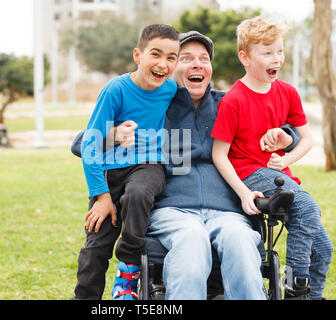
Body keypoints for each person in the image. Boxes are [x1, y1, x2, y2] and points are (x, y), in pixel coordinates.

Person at [71, 30, 299, 300]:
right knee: (191, 241)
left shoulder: (229, 102)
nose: (196, 64)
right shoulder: (159, 102)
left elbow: (275, 122)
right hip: (172, 210)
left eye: (204, 59)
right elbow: (81, 142)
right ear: (173, 68)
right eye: (186, 58)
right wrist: (115, 134)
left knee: (240, 240)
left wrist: (288, 135)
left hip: (227, 211)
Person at [211, 17, 332, 299]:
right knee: (309, 209)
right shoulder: (234, 100)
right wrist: (242, 192)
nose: (276, 58)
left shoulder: (288, 92)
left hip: (278, 174)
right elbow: (219, 154)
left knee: (323, 249)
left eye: (279, 51)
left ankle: (311, 295)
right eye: (267, 52)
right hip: (249, 173)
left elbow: (308, 139)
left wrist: (286, 159)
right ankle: (295, 289)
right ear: (245, 58)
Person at [74, 24, 180, 300]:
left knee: (138, 193)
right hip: (110, 175)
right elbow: (90, 143)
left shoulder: (171, 89)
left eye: (171, 57)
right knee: (94, 247)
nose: (163, 63)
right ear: (138, 55)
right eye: (155, 54)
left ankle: (128, 269)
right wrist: (101, 196)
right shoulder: (115, 90)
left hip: (149, 166)